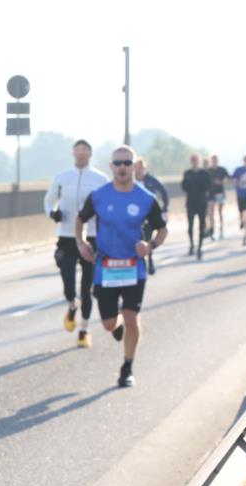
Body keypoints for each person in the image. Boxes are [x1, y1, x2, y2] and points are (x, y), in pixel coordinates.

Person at [75, 146, 167, 388]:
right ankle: (115, 327)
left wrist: (150, 245)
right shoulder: (98, 195)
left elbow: (162, 229)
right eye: (118, 163)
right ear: (111, 166)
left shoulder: (146, 198)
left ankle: (127, 367)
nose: (123, 167)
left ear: (134, 165)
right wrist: (81, 242)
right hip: (105, 268)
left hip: (133, 268)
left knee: (131, 317)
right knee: (108, 323)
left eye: (127, 163)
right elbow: (80, 220)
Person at [44, 139, 110, 348]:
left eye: (85, 150)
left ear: (90, 154)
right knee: (68, 280)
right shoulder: (63, 177)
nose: (81, 154)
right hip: (66, 235)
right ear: (73, 153)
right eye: (78, 150)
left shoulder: (100, 179)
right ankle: (72, 304)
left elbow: (107, 205)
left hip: (90, 236)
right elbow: (49, 200)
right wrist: (52, 213)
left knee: (87, 286)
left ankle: (84, 330)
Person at [133, 158, 168, 275]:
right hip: (134, 215)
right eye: (136, 167)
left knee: (147, 237)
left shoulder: (151, 180)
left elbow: (164, 191)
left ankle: (150, 259)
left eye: (141, 168)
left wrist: (164, 208)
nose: (138, 170)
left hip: (149, 215)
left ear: (144, 168)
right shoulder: (130, 181)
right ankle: (141, 261)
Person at [181, 154, 212, 259]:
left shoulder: (204, 174)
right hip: (190, 203)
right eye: (193, 160)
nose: (194, 162)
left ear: (198, 161)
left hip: (202, 203)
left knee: (201, 226)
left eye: (196, 160)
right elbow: (184, 187)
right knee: (190, 226)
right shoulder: (187, 173)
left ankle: (200, 247)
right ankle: (191, 244)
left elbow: (208, 187)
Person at [207, 154, 230, 240]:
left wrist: (222, 181)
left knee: (220, 212)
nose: (214, 161)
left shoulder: (222, 170)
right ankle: (212, 231)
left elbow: (229, 179)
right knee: (211, 213)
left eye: (216, 159)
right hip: (211, 194)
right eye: (213, 160)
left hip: (220, 193)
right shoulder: (208, 170)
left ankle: (221, 230)